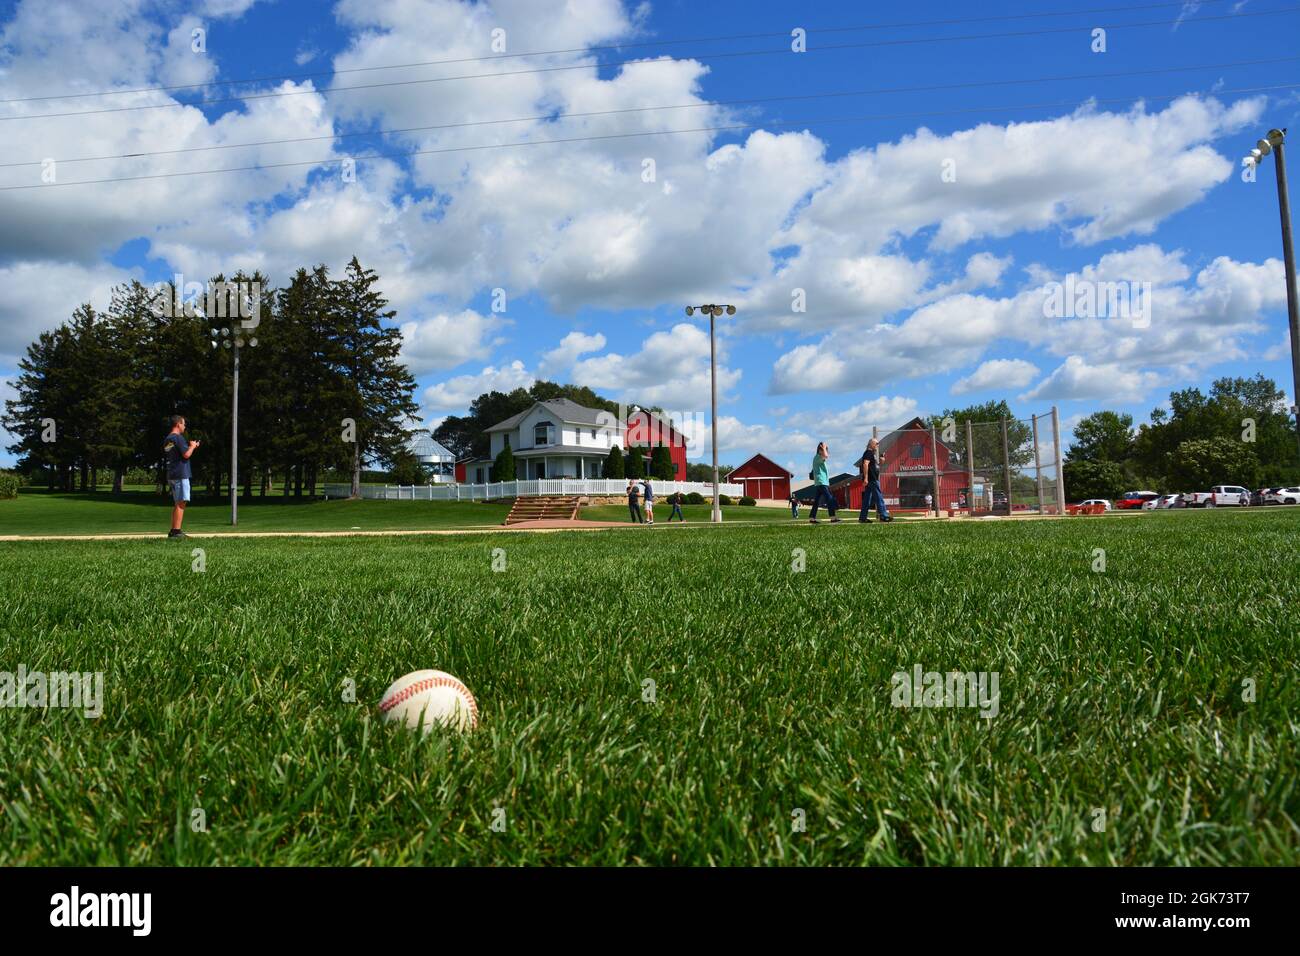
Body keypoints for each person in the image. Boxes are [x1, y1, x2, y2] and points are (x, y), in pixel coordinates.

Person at [163, 415, 199, 539]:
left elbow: (171, 453)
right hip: (181, 474)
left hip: (172, 473)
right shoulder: (178, 438)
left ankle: (173, 530)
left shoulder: (168, 439)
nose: (184, 426)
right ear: (178, 424)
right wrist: (193, 446)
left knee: (177, 502)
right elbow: (186, 454)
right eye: (183, 424)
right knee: (181, 502)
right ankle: (177, 531)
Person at [856, 437, 892, 524]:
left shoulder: (871, 454)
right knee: (879, 497)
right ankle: (883, 515)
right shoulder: (868, 452)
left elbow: (875, 467)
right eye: (876, 443)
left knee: (867, 499)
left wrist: (881, 462)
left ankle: (863, 518)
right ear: (871, 444)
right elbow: (865, 464)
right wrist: (866, 478)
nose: (877, 445)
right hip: (872, 479)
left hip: (871, 479)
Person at [808, 442, 840, 524]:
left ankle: (812, 518)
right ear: (820, 450)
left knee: (817, 501)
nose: (826, 451)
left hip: (821, 482)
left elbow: (825, 456)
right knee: (830, 499)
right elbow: (826, 455)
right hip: (821, 482)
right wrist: (824, 447)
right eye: (824, 449)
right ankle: (833, 518)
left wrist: (824, 448)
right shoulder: (818, 457)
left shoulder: (818, 458)